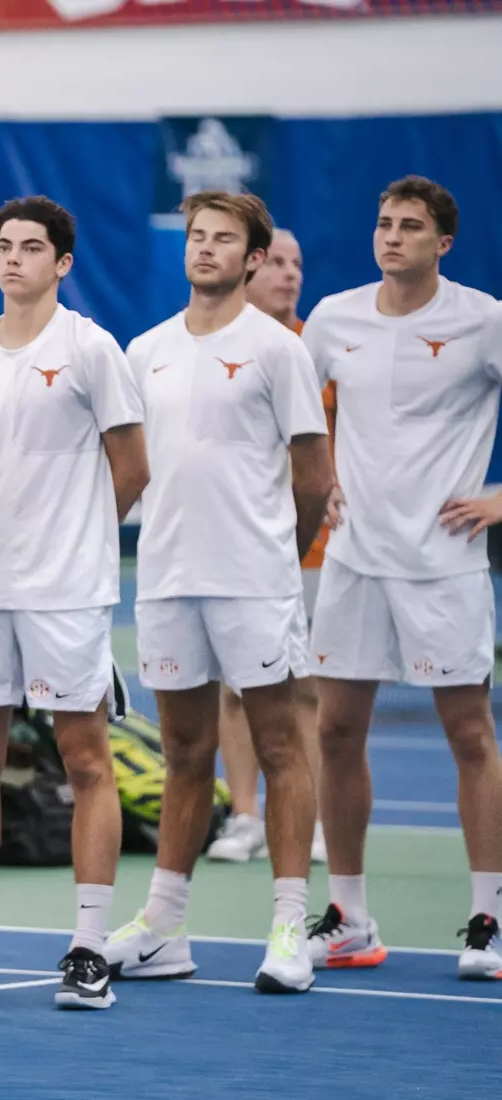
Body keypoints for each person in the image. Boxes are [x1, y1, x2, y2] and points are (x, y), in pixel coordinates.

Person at [105, 191, 333, 995]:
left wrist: (273, 556)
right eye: (197, 237)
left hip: (254, 584)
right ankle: (164, 924)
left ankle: (288, 925)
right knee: (186, 755)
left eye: (223, 239)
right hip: (166, 582)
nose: (205, 249)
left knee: (278, 747)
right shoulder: (146, 349)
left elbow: (314, 479)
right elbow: (128, 472)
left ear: (254, 258)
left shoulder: (279, 350)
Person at [0, 196, 147, 1010]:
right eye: (4, 246)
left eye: (32, 248)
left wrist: (81, 543)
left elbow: (131, 465)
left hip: (66, 592)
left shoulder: (92, 348)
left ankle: (89, 947)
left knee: (86, 763)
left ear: (62, 263)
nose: (14, 259)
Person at [302, 176, 502, 981]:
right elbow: (288, 408)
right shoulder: (333, 317)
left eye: (411, 227)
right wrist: (318, 474)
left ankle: (489, 913)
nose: (392, 237)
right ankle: (348, 915)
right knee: (337, 733)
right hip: (352, 563)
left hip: (443, 564)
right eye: (384, 224)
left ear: (442, 243)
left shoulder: (482, 321)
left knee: (469, 736)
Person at [209, 228, 331, 868]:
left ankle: (307, 819)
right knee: (234, 687)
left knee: (303, 687)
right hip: (233, 546)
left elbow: (339, 445)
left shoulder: (317, 348)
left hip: (310, 549)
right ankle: (246, 815)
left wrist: (333, 491)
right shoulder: (209, 347)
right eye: (277, 262)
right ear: (250, 269)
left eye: (297, 262)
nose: (290, 274)